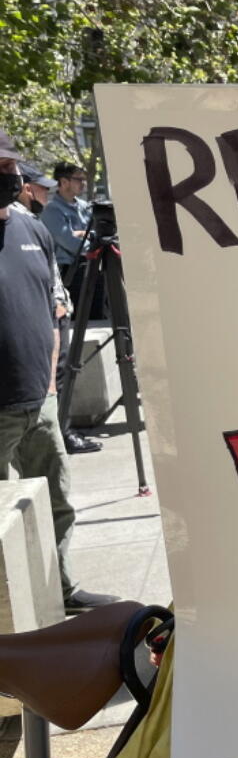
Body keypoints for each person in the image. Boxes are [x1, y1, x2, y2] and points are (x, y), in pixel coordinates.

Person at [0, 132, 119, 613]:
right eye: (0, 166)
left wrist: (49, 381)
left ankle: (61, 589)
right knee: (6, 522)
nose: (10, 175)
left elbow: (54, 306)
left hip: (39, 403)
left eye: (10, 166)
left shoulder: (32, 231)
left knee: (57, 505)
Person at [15, 164, 102, 455]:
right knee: (55, 374)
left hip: (57, 305)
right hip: (49, 304)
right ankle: (60, 434)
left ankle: (61, 434)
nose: (45, 193)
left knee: (60, 371)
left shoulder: (33, 221)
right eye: (41, 187)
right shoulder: (27, 221)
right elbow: (69, 242)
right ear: (27, 189)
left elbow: (94, 238)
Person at [41, 162, 91, 309]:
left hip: (92, 267)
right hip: (71, 273)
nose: (83, 183)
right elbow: (71, 243)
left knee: (97, 317)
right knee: (81, 320)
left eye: (84, 179)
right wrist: (90, 238)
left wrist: (84, 234)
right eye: (79, 179)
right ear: (63, 182)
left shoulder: (85, 206)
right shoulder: (52, 210)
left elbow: (98, 233)